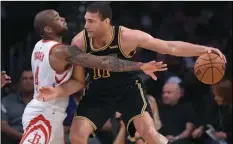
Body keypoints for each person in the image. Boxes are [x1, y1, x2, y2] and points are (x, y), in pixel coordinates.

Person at [39, 2, 226, 144]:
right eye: (86, 20)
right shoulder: (79, 42)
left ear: (106, 21)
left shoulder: (127, 37)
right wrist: (58, 91)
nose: (86, 25)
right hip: (99, 91)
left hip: (128, 88)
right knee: (77, 134)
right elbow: (79, 82)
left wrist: (203, 50)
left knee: (149, 135)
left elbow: (169, 47)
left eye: (91, 21)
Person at [19, 9, 167, 144]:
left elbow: (78, 82)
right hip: (43, 115)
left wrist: (58, 91)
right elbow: (103, 62)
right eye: (57, 18)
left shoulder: (41, 45)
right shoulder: (62, 51)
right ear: (48, 28)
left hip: (52, 113)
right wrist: (139, 66)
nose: (63, 18)